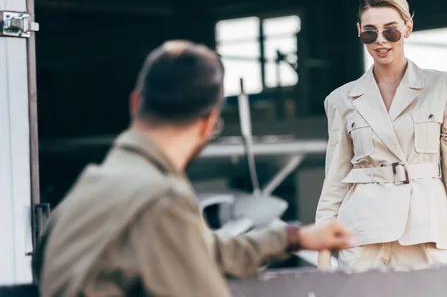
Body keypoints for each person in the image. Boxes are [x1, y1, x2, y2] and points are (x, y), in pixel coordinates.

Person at [32, 40, 355, 297]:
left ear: (135, 102)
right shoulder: (162, 201)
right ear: (209, 124)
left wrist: (293, 237)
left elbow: (201, 250)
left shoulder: (82, 195)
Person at [315, 0, 447, 270]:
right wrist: (322, 252)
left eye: (390, 31)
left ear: (408, 28)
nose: (381, 41)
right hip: (363, 234)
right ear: (359, 31)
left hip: (426, 230)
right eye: (370, 32)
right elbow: (334, 178)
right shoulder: (340, 100)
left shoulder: (443, 87)